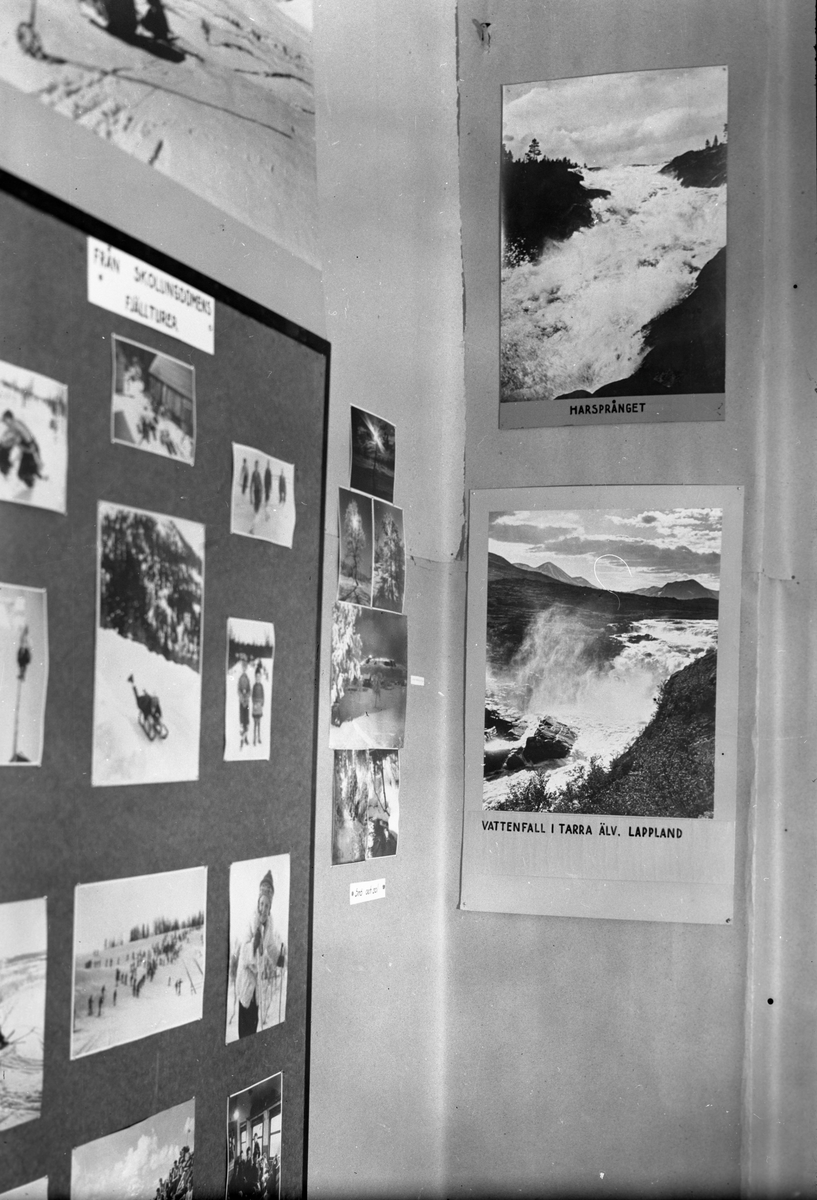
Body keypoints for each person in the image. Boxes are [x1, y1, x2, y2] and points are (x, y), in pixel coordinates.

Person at [235, 869, 284, 1038]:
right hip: (246, 981)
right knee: (244, 1029)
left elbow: (271, 946)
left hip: (257, 986)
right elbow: (243, 953)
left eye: (267, 905)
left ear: (270, 907)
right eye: (262, 904)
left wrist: (278, 959)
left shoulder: (269, 925)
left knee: (253, 1026)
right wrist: (253, 946)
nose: (263, 908)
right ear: (258, 903)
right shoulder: (251, 922)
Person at [1, 409, 44, 488]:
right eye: (3, 421)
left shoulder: (16, 424)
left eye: (5, 420)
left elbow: (25, 434)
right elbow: (9, 441)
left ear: (9, 418)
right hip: (26, 451)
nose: (5, 423)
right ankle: (33, 483)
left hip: (31, 449)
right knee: (21, 474)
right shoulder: (11, 429)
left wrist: (30, 444)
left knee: (24, 473)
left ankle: (37, 481)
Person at [237, 659, 251, 749]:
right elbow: (238, 690)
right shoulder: (240, 679)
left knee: (246, 720)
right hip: (242, 702)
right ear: (241, 668)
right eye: (243, 667)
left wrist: (247, 696)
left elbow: (250, 690)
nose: (244, 669)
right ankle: (241, 740)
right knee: (242, 720)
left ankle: (246, 737)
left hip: (247, 702)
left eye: (245, 668)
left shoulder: (248, 679)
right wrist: (242, 697)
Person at [251, 665, 265, 747]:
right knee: (255, 724)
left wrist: (262, 703)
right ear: (255, 677)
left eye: (259, 677)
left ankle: (259, 738)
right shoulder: (254, 686)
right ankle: (254, 739)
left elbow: (263, 696)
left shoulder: (261, 686)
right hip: (255, 707)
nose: (258, 678)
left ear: (261, 677)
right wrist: (254, 704)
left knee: (259, 723)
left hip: (259, 707)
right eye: (257, 677)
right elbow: (252, 697)